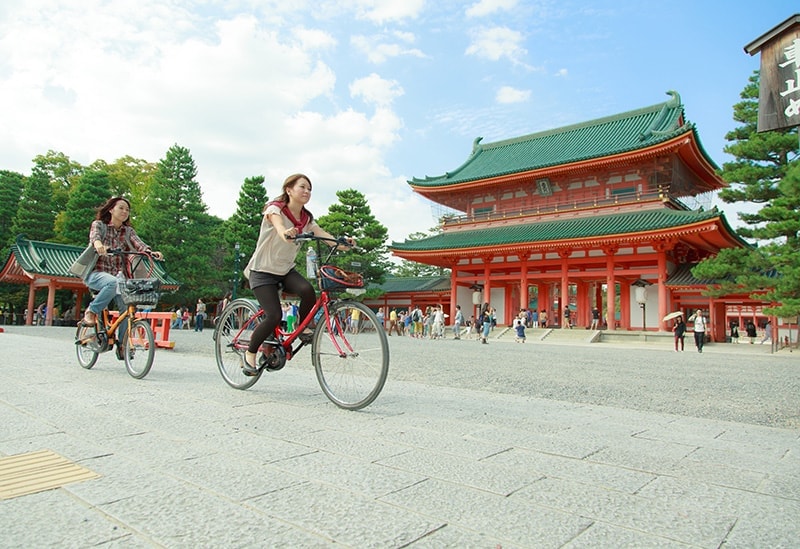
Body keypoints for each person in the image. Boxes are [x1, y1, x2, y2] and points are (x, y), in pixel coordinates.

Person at [242, 173, 353, 376]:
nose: (307, 192)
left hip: (284, 271)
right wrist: (285, 232)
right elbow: (278, 225)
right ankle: (249, 354)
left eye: (309, 189)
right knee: (274, 315)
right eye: (302, 187)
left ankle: (303, 329)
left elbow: (323, 235)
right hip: (262, 272)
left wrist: (342, 243)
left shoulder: (306, 218)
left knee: (307, 290)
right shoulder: (275, 208)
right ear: (289, 190)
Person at [80, 197, 163, 359]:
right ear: (111, 209)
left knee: (128, 306)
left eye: (127, 210)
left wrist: (149, 252)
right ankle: (92, 311)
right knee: (111, 282)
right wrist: (99, 246)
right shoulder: (99, 226)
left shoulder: (128, 231)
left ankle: (123, 344)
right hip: (96, 274)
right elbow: (95, 238)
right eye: (121, 208)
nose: (125, 212)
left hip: (118, 277)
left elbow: (138, 243)